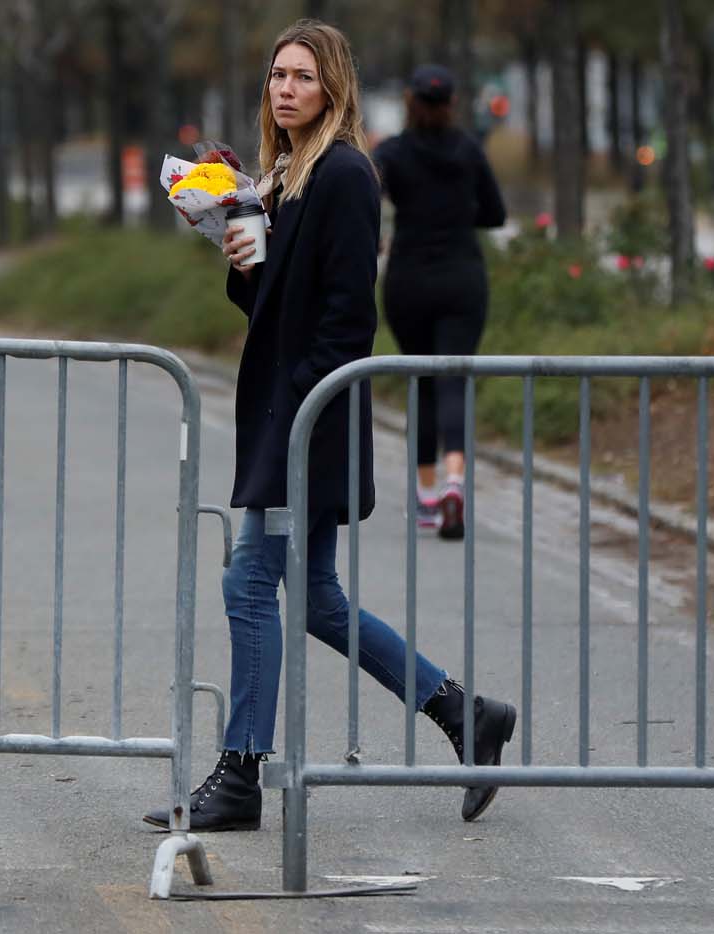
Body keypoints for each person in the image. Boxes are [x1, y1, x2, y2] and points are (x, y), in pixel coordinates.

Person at [142, 20, 515, 833]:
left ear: (334, 88)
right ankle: (464, 713)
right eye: (277, 74)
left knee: (248, 586)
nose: (285, 88)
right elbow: (274, 304)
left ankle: (240, 776)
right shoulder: (287, 177)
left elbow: (348, 321)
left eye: (303, 76)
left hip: (308, 420)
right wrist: (242, 255)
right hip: (292, 412)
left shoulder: (345, 174)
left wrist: (297, 415)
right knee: (313, 600)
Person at [373, 65, 507, 540]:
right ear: (450, 103)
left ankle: (426, 498)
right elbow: (495, 213)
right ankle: (456, 481)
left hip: (408, 279)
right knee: (454, 380)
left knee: (422, 381)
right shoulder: (468, 150)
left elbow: (367, 205)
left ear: (410, 102)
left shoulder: (390, 153)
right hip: (461, 277)